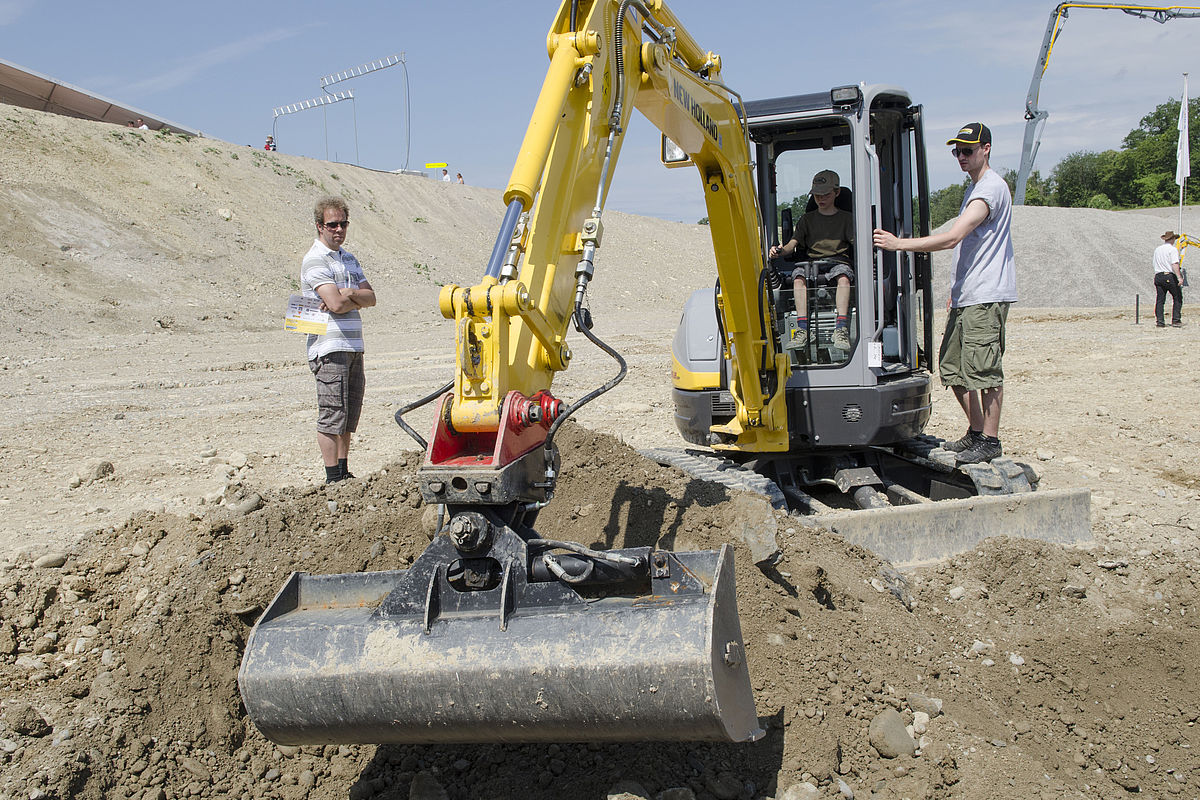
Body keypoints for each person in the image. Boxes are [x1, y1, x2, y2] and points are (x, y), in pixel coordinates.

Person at [872, 122, 1016, 465]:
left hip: (986, 295)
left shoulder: (990, 190)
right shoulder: (974, 188)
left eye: (967, 150)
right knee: (951, 366)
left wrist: (898, 245)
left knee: (984, 372)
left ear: (987, 149)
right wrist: (956, 290)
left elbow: (953, 238)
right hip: (969, 294)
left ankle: (990, 441)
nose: (961, 157)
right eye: (957, 151)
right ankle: (977, 432)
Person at [300, 197, 377, 484]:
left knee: (348, 413)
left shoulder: (349, 258)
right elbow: (334, 304)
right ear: (320, 226)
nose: (339, 230)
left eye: (343, 223)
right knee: (332, 413)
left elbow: (372, 297)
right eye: (332, 224)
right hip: (329, 348)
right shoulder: (315, 259)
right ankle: (333, 476)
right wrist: (349, 296)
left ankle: (344, 472)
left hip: (353, 346)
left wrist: (349, 295)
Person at [768, 169, 855, 350]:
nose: (820, 199)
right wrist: (779, 251)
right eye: (816, 195)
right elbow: (792, 243)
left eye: (825, 194)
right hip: (811, 264)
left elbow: (858, 244)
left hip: (838, 262)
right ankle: (803, 330)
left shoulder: (847, 219)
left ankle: (841, 329)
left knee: (844, 278)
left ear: (837, 193)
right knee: (798, 279)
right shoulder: (807, 220)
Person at [1152, 230, 1184, 327]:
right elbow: (1174, 263)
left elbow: (1154, 263)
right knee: (1177, 297)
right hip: (1168, 275)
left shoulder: (1157, 249)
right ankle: (1176, 320)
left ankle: (1160, 322)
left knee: (1160, 300)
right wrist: (1179, 277)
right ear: (1173, 239)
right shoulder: (1172, 249)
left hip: (1158, 275)